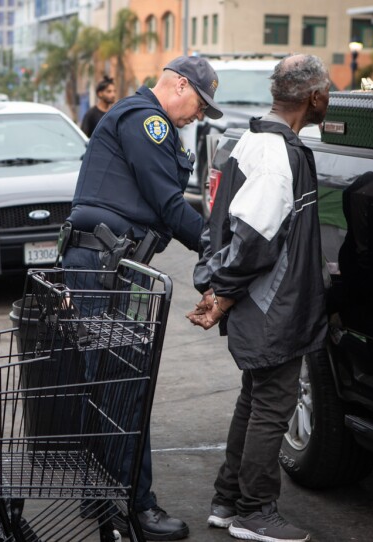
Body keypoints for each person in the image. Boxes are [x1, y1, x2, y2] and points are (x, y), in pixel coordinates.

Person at [60, 55, 223, 541]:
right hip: (104, 268)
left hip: (109, 266)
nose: (200, 115)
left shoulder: (139, 120)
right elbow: (169, 205)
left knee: (108, 382)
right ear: (177, 84)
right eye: (200, 102)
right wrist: (216, 250)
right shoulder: (147, 120)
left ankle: (102, 493)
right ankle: (138, 507)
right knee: (123, 386)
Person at [187, 54, 330, 542]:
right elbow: (252, 238)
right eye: (327, 90)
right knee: (272, 405)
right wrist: (222, 295)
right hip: (272, 306)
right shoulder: (273, 154)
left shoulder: (256, 139)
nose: (329, 97)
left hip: (263, 301)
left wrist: (221, 289)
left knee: (255, 400)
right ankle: (255, 511)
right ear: (313, 97)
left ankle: (228, 502)